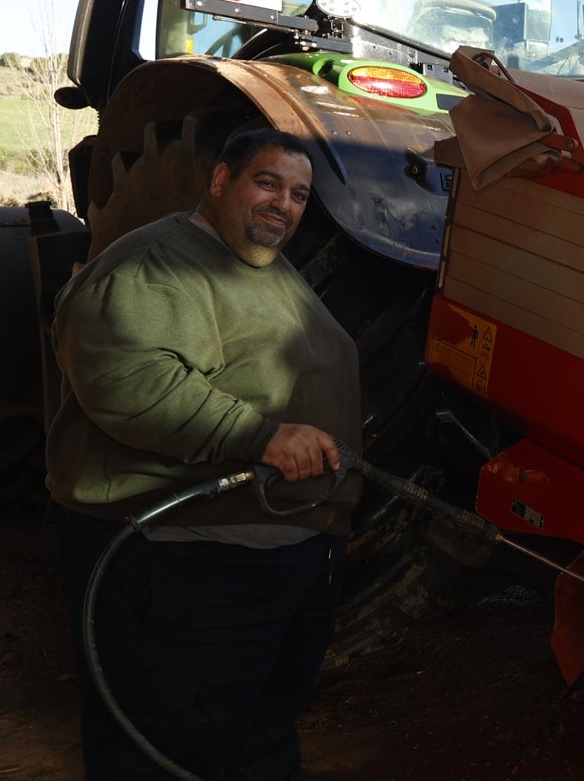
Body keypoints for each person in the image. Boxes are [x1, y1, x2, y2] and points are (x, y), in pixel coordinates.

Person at [43, 127, 361, 780]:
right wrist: (261, 436)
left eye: (299, 194)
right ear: (220, 180)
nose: (284, 203)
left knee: (250, 737)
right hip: (182, 553)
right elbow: (129, 381)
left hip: (269, 552)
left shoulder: (260, 264)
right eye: (266, 183)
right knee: (167, 744)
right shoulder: (155, 264)